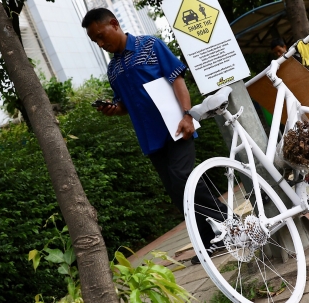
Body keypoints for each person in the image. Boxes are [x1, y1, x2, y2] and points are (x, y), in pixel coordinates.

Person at [81, 8, 226, 265]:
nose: (101, 44)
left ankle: (230, 224)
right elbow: (123, 105)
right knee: (176, 192)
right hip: (150, 139)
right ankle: (208, 242)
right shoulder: (113, 70)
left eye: (101, 36)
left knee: (184, 178)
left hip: (176, 127)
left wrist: (187, 115)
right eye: (96, 42)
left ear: (114, 24)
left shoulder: (149, 45)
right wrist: (112, 110)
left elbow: (177, 80)